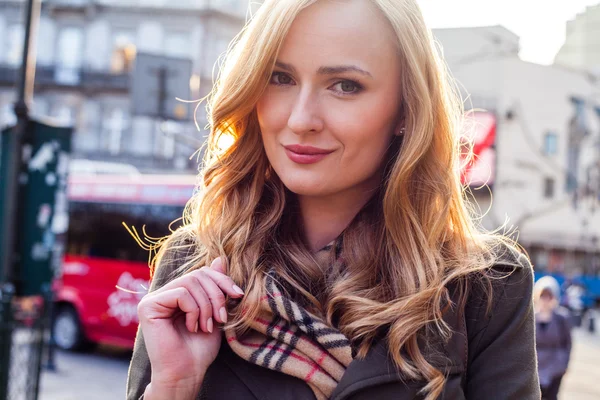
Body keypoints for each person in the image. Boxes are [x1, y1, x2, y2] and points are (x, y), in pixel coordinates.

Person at [127, 0, 540, 399]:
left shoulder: (485, 286)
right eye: (280, 77)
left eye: (345, 86)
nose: (301, 119)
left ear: (406, 110)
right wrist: (175, 388)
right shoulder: (193, 265)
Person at [535, 276, 572, 400]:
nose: (545, 300)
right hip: (535, 365)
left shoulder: (562, 318)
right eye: (542, 296)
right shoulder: (531, 318)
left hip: (555, 366)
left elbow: (567, 343)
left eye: (549, 296)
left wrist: (565, 364)